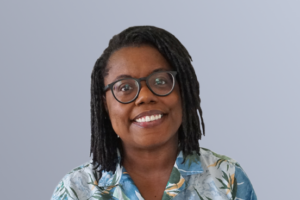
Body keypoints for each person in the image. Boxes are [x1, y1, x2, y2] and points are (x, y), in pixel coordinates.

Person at [51, 26, 257, 200]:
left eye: (160, 81)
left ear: (184, 91)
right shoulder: (75, 190)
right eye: (125, 87)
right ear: (105, 104)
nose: (145, 96)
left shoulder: (228, 178)